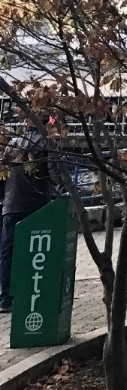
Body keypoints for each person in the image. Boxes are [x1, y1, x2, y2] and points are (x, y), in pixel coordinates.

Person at [0, 131, 53, 313]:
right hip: (35, 204)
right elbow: (54, 173)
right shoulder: (46, 142)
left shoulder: (13, 143)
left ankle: (6, 297)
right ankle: (31, 293)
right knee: (36, 252)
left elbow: (3, 172)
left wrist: (4, 199)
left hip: (10, 204)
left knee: (8, 252)